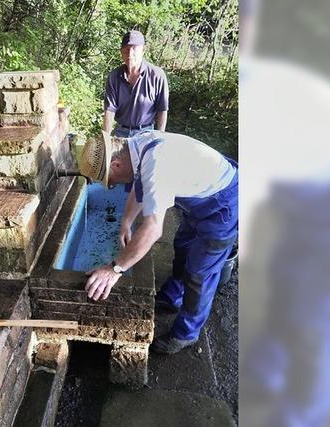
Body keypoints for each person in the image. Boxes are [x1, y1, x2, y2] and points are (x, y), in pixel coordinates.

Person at [78, 130, 238, 353]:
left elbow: (153, 230)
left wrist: (114, 269)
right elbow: (138, 183)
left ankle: (186, 333)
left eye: (110, 181)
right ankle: (173, 296)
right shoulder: (137, 145)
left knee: (200, 273)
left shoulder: (156, 165)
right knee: (182, 247)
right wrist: (126, 221)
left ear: (115, 165)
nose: (111, 185)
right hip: (198, 194)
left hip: (221, 203)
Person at [103, 30, 169, 138]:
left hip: (146, 133)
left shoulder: (157, 75)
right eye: (126, 49)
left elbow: (162, 109)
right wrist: (105, 138)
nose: (130, 53)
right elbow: (109, 110)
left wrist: (160, 137)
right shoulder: (114, 76)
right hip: (120, 133)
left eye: (134, 48)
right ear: (121, 52)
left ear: (143, 50)